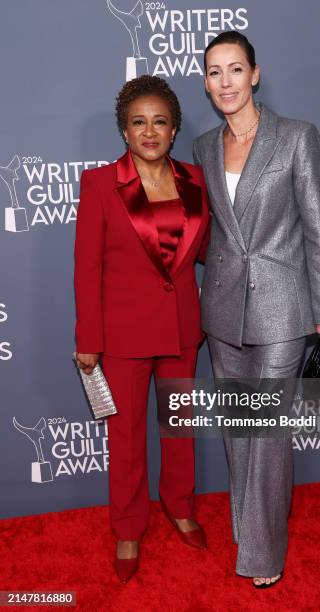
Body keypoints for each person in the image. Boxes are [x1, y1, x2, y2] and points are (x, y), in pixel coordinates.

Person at [193, 31, 320, 588]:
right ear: (206, 82)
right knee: (240, 427)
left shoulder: (296, 137)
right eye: (215, 72)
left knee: (267, 432)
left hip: (284, 308)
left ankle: (261, 556)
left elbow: (317, 229)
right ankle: (248, 525)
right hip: (223, 309)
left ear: (255, 75)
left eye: (236, 70)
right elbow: (211, 233)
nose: (226, 82)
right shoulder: (204, 147)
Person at [74, 75, 209, 583]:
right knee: (126, 439)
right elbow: (86, 268)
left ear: (174, 129)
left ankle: (179, 505)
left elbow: (207, 254)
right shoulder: (100, 185)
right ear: (124, 131)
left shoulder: (196, 180)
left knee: (179, 430)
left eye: (159, 121)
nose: (149, 131)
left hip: (180, 333)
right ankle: (129, 527)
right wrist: (89, 339)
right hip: (123, 337)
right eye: (138, 122)